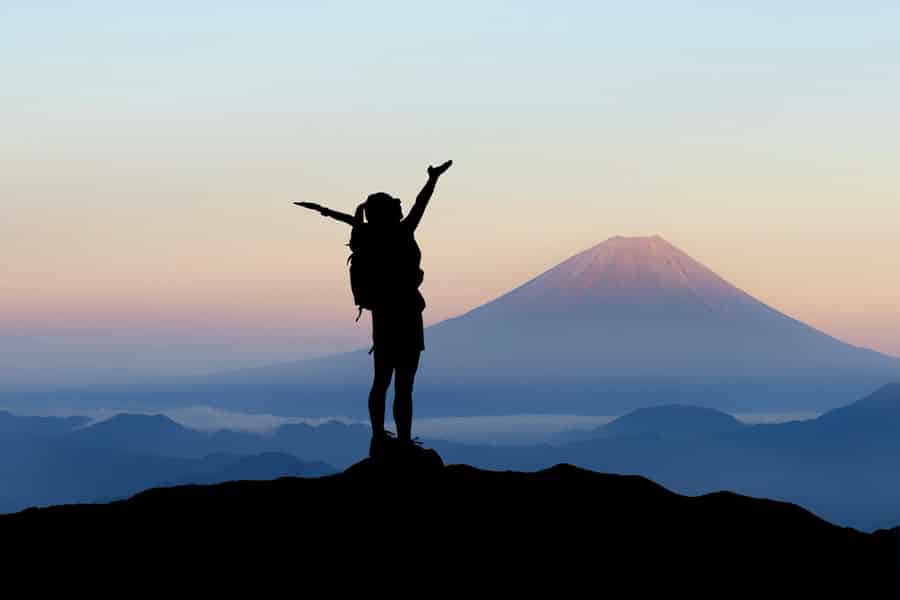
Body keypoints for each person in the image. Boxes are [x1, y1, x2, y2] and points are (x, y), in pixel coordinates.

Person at [295, 160, 452, 459]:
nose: (401, 210)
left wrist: (325, 211)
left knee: (382, 379)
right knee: (404, 384)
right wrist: (432, 180)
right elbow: (422, 204)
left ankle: (379, 436)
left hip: (384, 316)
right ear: (390, 213)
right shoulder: (403, 232)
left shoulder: (369, 237)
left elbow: (356, 222)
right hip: (407, 314)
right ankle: (402, 440)